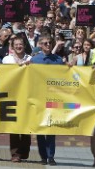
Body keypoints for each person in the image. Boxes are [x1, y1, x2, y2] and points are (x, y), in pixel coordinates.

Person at [30, 34, 63, 165]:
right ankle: (43, 156)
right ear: (40, 45)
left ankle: (51, 156)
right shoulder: (34, 60)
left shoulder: (58, 60)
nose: (48, 45)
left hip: (53, 98)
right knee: (40, 130)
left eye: (50, 43)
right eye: (45, 43)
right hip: (38, 98)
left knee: (51, 129)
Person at [2, 37, 31, 162]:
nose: (19, 46)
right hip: (12, 95)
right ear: (12, 47)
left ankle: (24, 152)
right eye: (16, 45)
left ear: (24, 45)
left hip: (27, 96)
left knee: (26, 125)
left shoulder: (30, 59)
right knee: (13, 125)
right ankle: (15, 153)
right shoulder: (6, 59)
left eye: (21, 44)